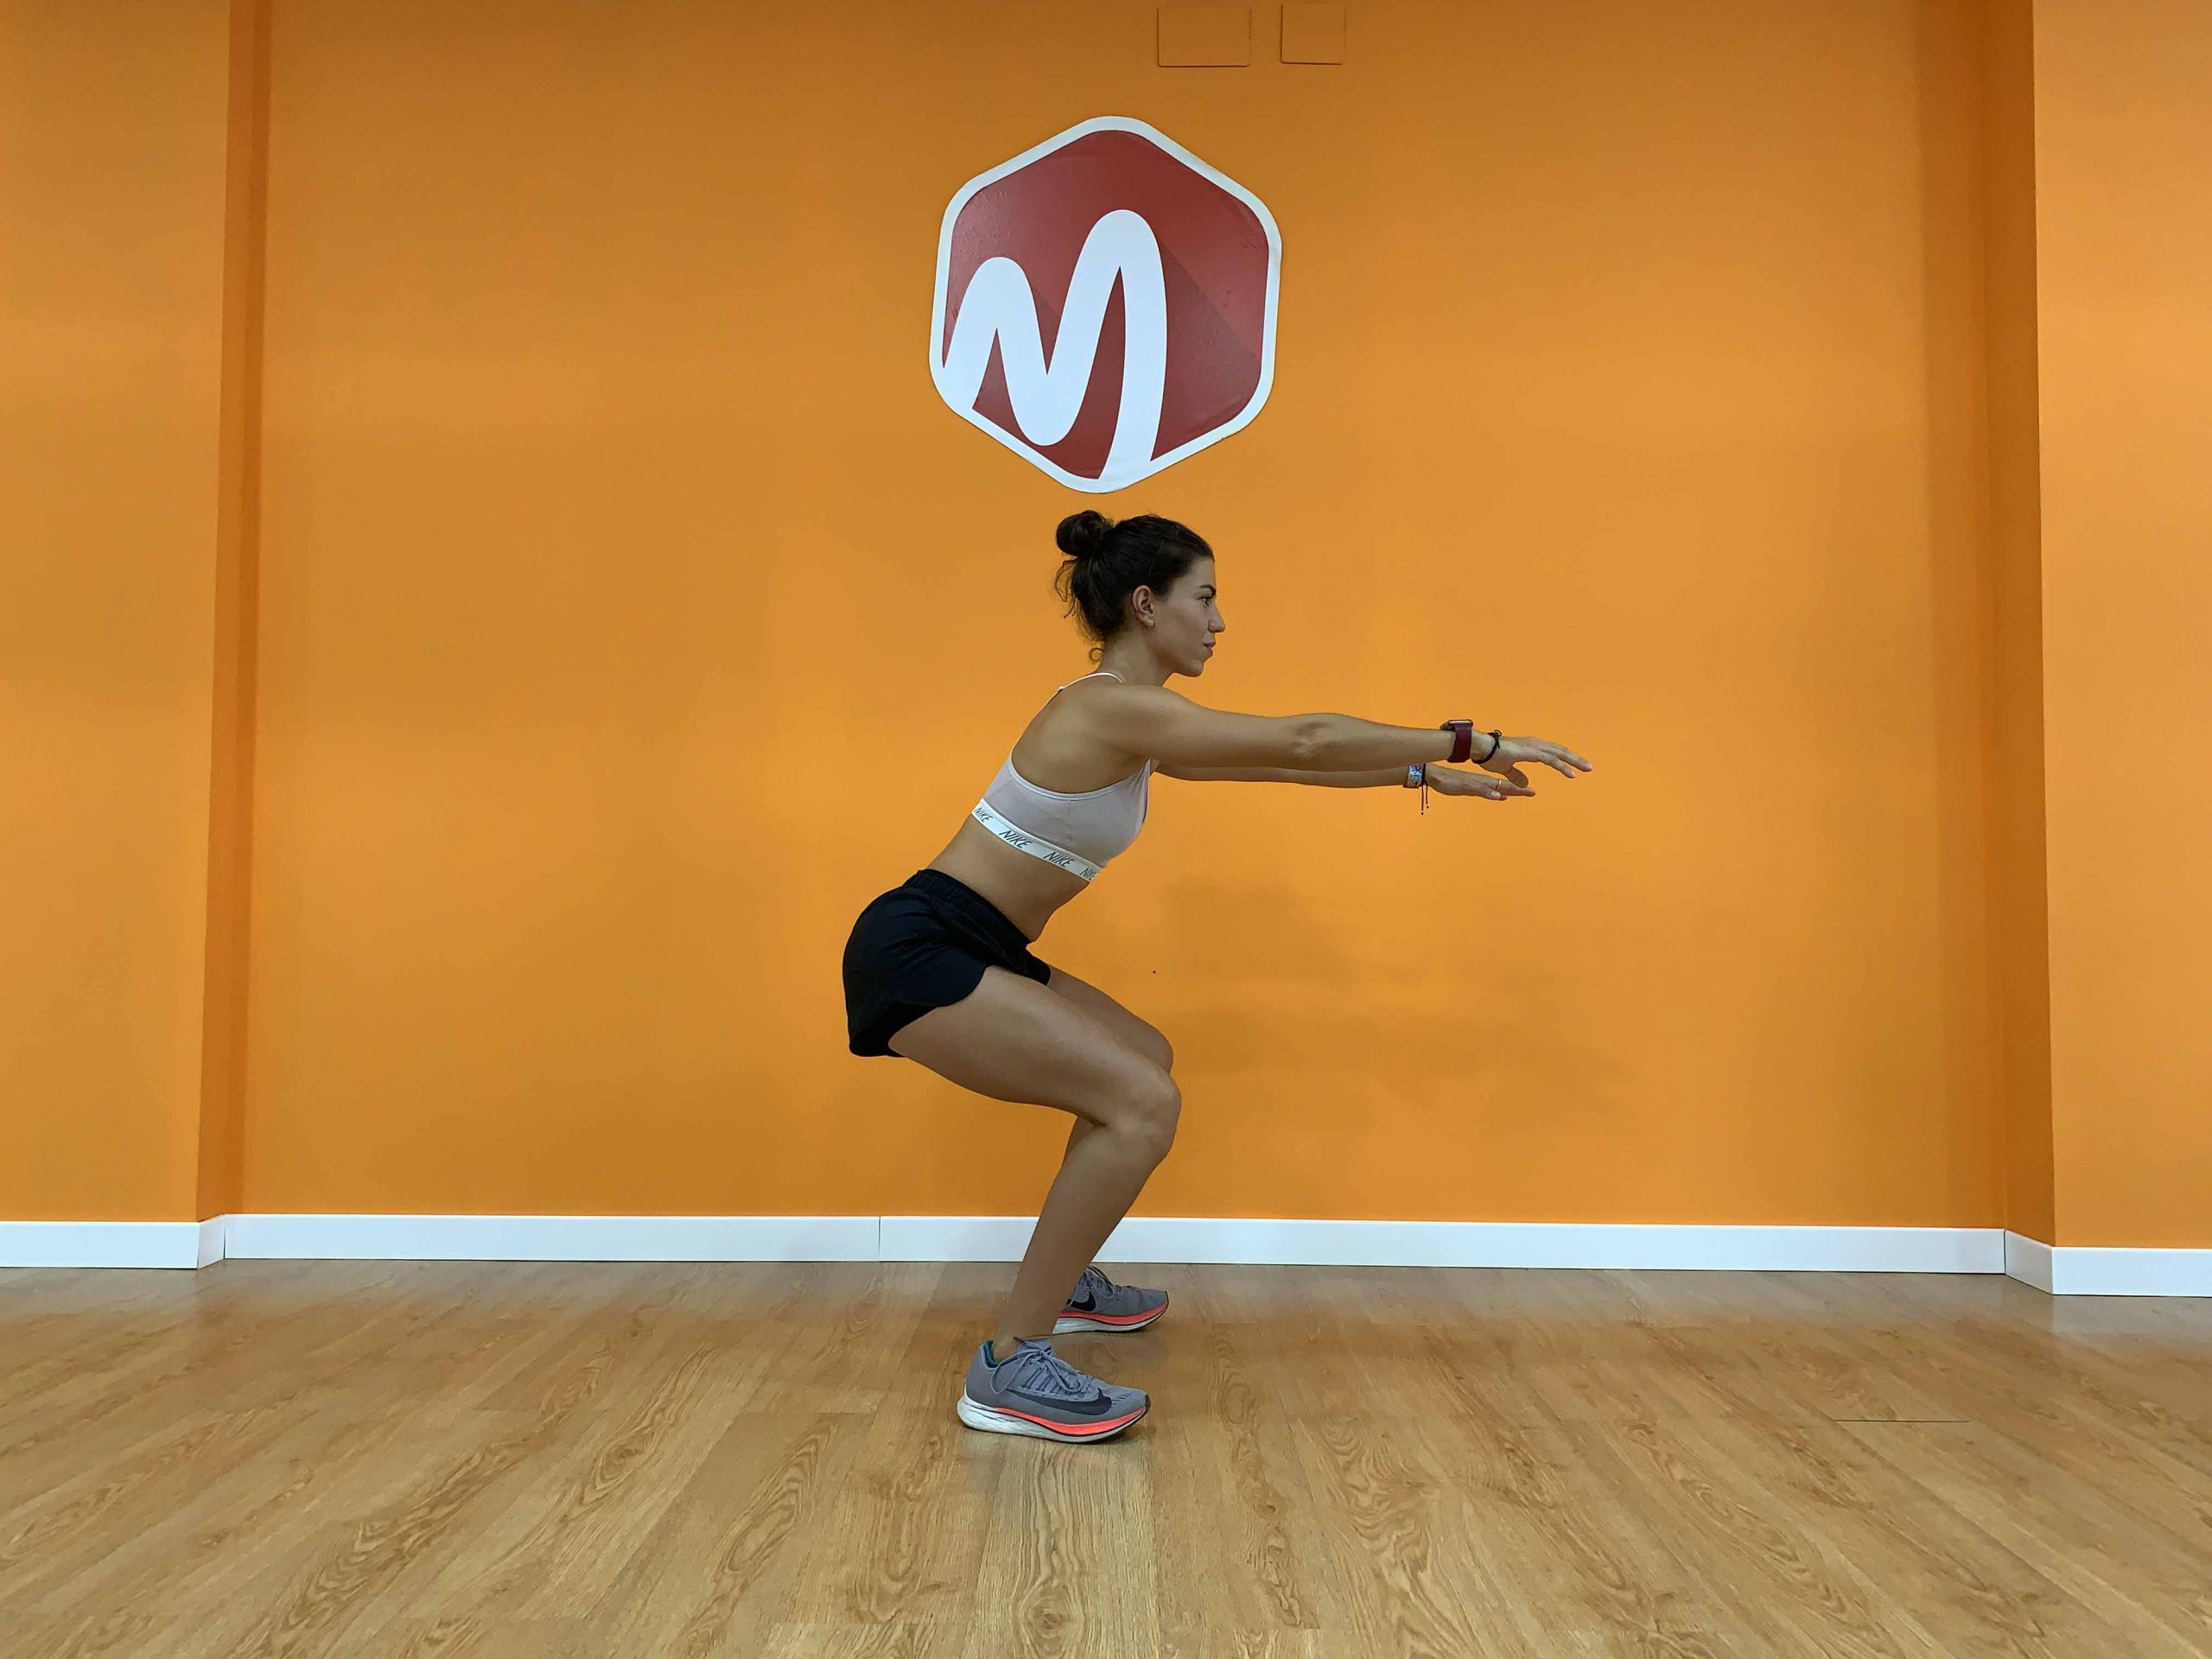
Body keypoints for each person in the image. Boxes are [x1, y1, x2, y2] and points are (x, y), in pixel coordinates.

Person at [840, 511, 1593, 1443]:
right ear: (1146, 604)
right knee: (1142, 1103)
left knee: (1143, 1057)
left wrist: (1411, 775)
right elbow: (1304, 739)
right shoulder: (1107, 708)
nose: (1219, 621)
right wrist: (1466, 742)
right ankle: (1009, 1365)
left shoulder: (1137, 723)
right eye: (1204, 598)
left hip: (975, 938)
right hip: (921, 946)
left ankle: (1060, 1280)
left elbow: (1282, 766)